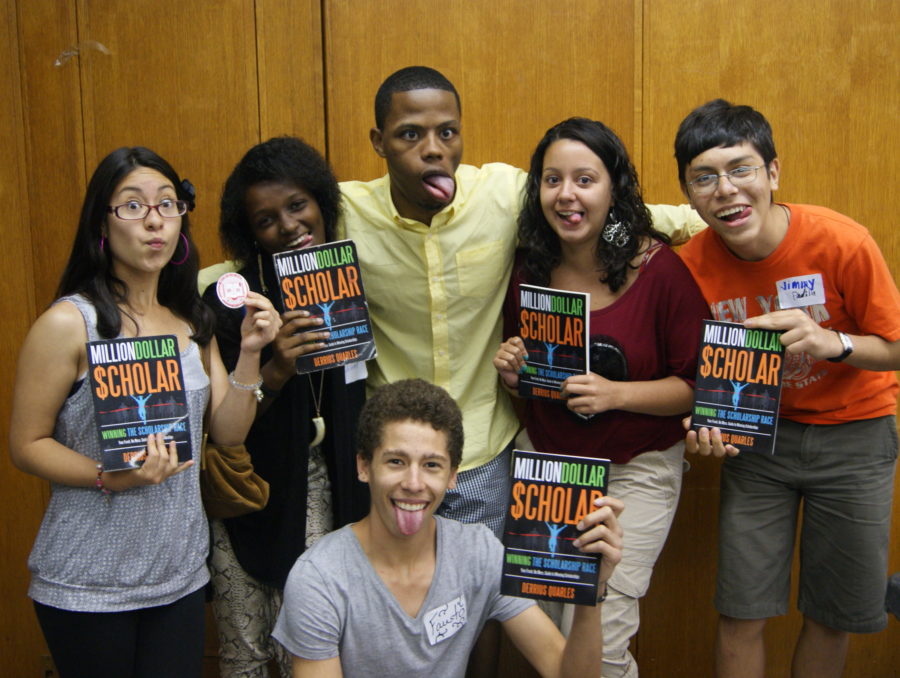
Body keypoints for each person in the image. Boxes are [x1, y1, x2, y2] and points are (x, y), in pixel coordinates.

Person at [339, 65, 707, 536]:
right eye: (410, 134)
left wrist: (739, 223)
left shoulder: (501, 195)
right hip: (392, 453)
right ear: (378, 141)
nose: (432, 148)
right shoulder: (345, 212)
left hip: (485, 453)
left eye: (447, 132)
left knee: (505, 601)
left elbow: (598, 209)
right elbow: (268, 238)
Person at [8, 147, 280, 678]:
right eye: (132, 206)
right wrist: (109, 476)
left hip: (178, 574)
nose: (154, 220)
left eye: (168, 204)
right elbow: (26, 445)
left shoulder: (191, 320)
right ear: (101, 225)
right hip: (87, 581)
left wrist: (249, 352)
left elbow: (226, 431)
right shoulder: (70, 324)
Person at [675, 99, 900, 678]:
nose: (725, 190)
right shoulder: (688, 267)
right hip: (759, 446)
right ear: (689, 193)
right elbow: (692, 372)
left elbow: (895, 346)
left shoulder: (841, 242)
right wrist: (702, 422)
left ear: (772, 173)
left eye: (740, 169)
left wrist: (835, 344)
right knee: (741, 610)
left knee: (834, 612)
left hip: (856, 436)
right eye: (705, 177)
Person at [493, 117, 710, 678]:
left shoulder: (657, 269)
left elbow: (700, 385)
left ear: (613, 188)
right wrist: (515, 373)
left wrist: (616, 394)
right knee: (547, 634)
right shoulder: (529, 268)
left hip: (634, 470)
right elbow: (532, 378)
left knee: (602, 636)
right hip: (549, 466)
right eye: (552, 179)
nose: (566, 195)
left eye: (585, 179)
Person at [272, 378, 625, 678]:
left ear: (453, 475)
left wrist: (592, 589)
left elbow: (566, 671)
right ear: (364, 466)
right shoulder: (319, 578)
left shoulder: (478, 552)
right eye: (396, 461)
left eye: (431, 465)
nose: (413, 482)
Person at [202, 136, 369, 678]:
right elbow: (221, 429)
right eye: (266, 219)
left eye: (298, 205)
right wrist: (275, 367)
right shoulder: (231, 303)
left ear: (321, 201)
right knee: (247, 655)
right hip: (253, 496)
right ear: (250, 234)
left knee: (317, 646)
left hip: (334, 485)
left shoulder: (347, 282)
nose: (290, 225)